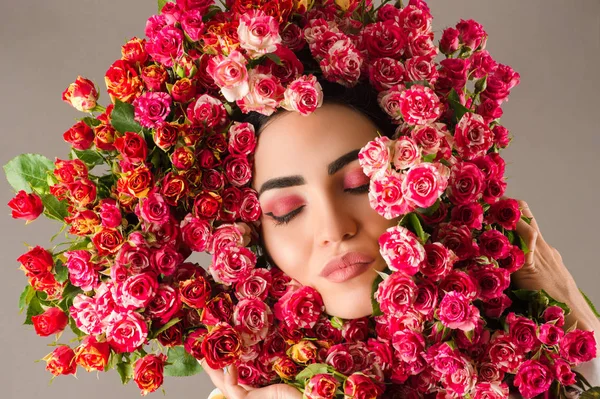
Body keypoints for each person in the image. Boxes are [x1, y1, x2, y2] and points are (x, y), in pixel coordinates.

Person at [201, 80, 600, 398]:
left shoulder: (528, 359)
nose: (333, 229)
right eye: (286, 210)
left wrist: (582, 331)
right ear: (254, 240)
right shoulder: (252, 391)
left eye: (360, 184)